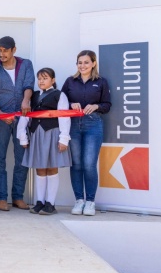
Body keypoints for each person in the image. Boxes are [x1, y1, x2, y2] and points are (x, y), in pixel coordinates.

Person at [0, 36, 35, 211]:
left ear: (14, 50)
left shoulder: (26, 64)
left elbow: (29, 85)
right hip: (1, 120)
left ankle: (18, 197)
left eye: (5, 50)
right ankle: (1, 198)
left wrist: (26, 100)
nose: (2, 53)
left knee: (22, 157)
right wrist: (0, 115)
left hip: (22, 118)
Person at [62, 50, 111, 216]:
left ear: (93, 63)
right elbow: (60, 102)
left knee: (89, 164)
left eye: (86, 62)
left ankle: (90, 201)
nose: (82, 65)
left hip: (93, 124)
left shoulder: (101, 82)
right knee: (76, 164)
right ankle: (79, 200)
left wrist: (97, 106)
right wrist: (70, 104)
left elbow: (107, 105)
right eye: (79, 62)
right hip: (73, 125)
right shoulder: (70, 81)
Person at [17, 68, 71, 215]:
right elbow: (25, 116)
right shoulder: (33, 96)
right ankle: (40, 202)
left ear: (53, 80)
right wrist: (22, 135)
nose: (41, 81)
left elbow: (64, 117)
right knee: (40, 168)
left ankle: (50, 203)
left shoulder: (59, 95)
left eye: (45, 78)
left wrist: (64, 138)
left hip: (53, 134)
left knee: (52, 167)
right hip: (36, 135)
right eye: (39, 78)